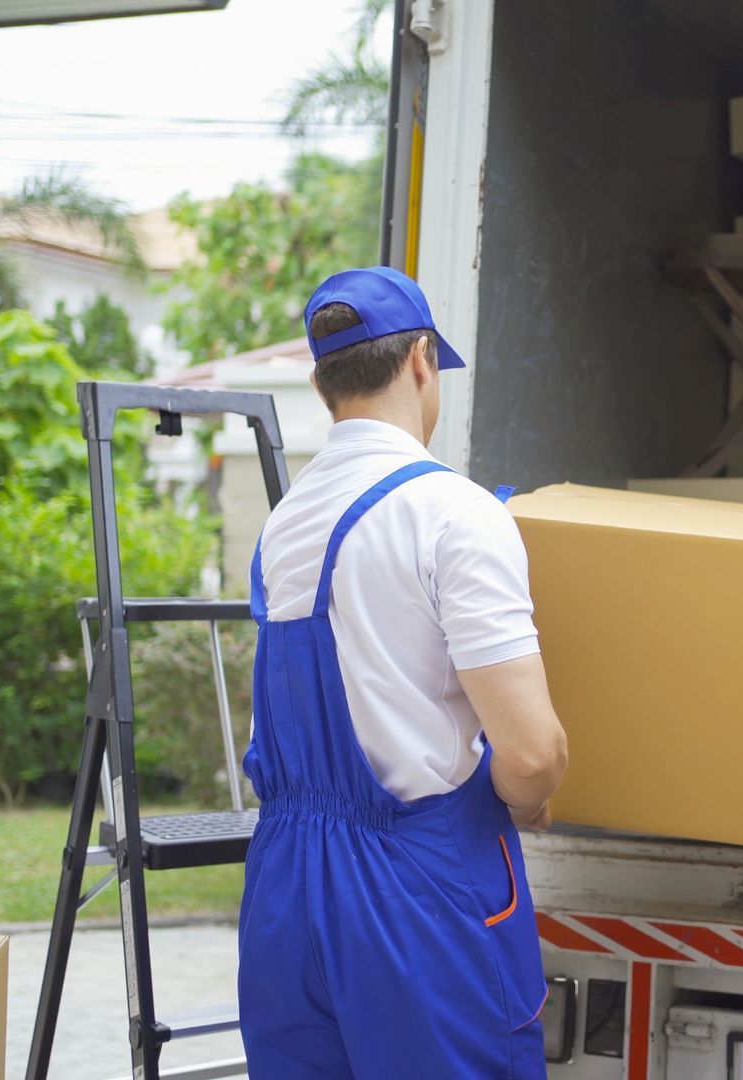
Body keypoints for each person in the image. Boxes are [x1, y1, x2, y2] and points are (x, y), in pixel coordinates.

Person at [237, 266, 567, 1078]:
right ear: (423, 360)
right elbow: (529, 755)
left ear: (322, 384)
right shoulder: (454, 513)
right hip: (412, 890)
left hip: (284, 891)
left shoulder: (282, 525)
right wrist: (531, 795)